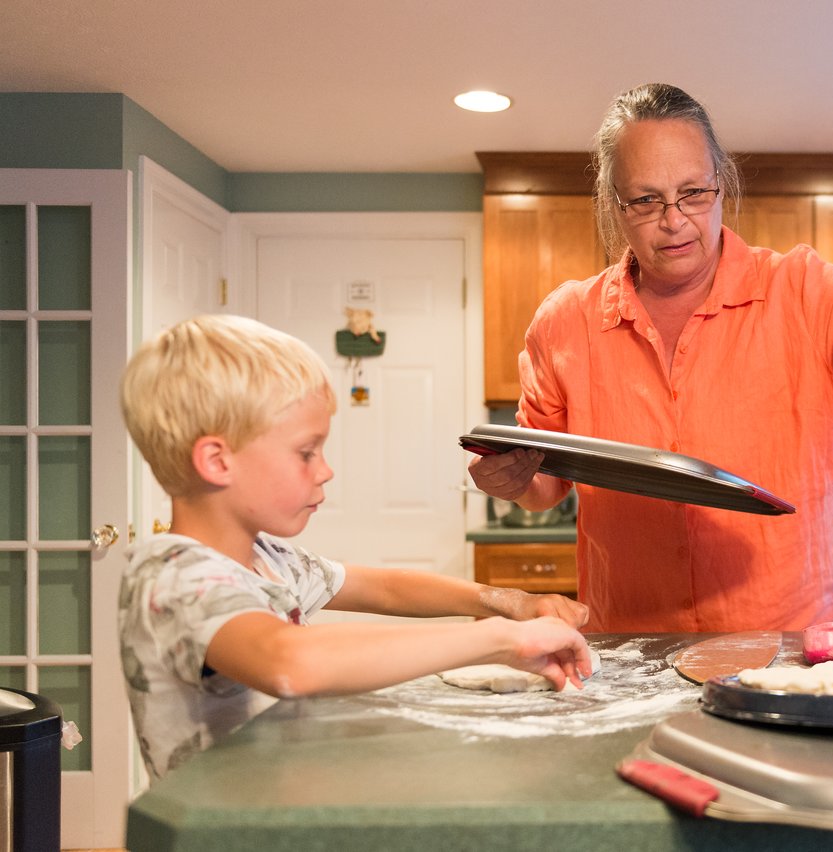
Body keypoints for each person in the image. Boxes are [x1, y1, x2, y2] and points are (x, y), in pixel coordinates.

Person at [469, 82, 833, 634]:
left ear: (722, 182)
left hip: (797, 652)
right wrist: (511, 479)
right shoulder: (565, 322)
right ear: (613, 205)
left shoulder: (802, 291)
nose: (674, 220)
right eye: (646, 200)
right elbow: (544, 481)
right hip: (630, 648)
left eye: (694, 192)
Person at [119, 314, 591, 780]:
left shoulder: (266, 559)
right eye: (306, 452)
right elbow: (288, 662)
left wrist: (511, 603)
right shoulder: (171, 577)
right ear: (217, 461)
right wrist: (500, 641)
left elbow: (383, 588)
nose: (325, 471)